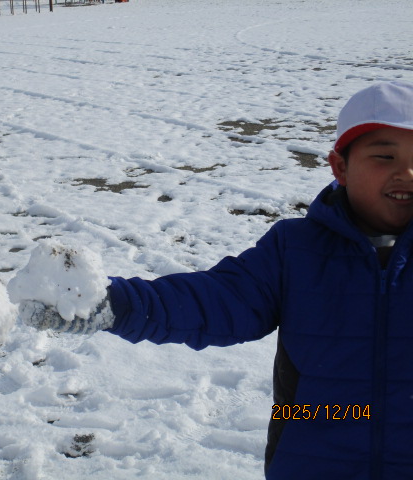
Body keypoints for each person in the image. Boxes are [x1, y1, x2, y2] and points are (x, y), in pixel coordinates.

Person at [21, 81, 413, 479]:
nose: (407, 172)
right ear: (340, 167)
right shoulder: (296, 250)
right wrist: (114, 304)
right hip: (312, 463)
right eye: (385, 156)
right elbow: (216, 301)